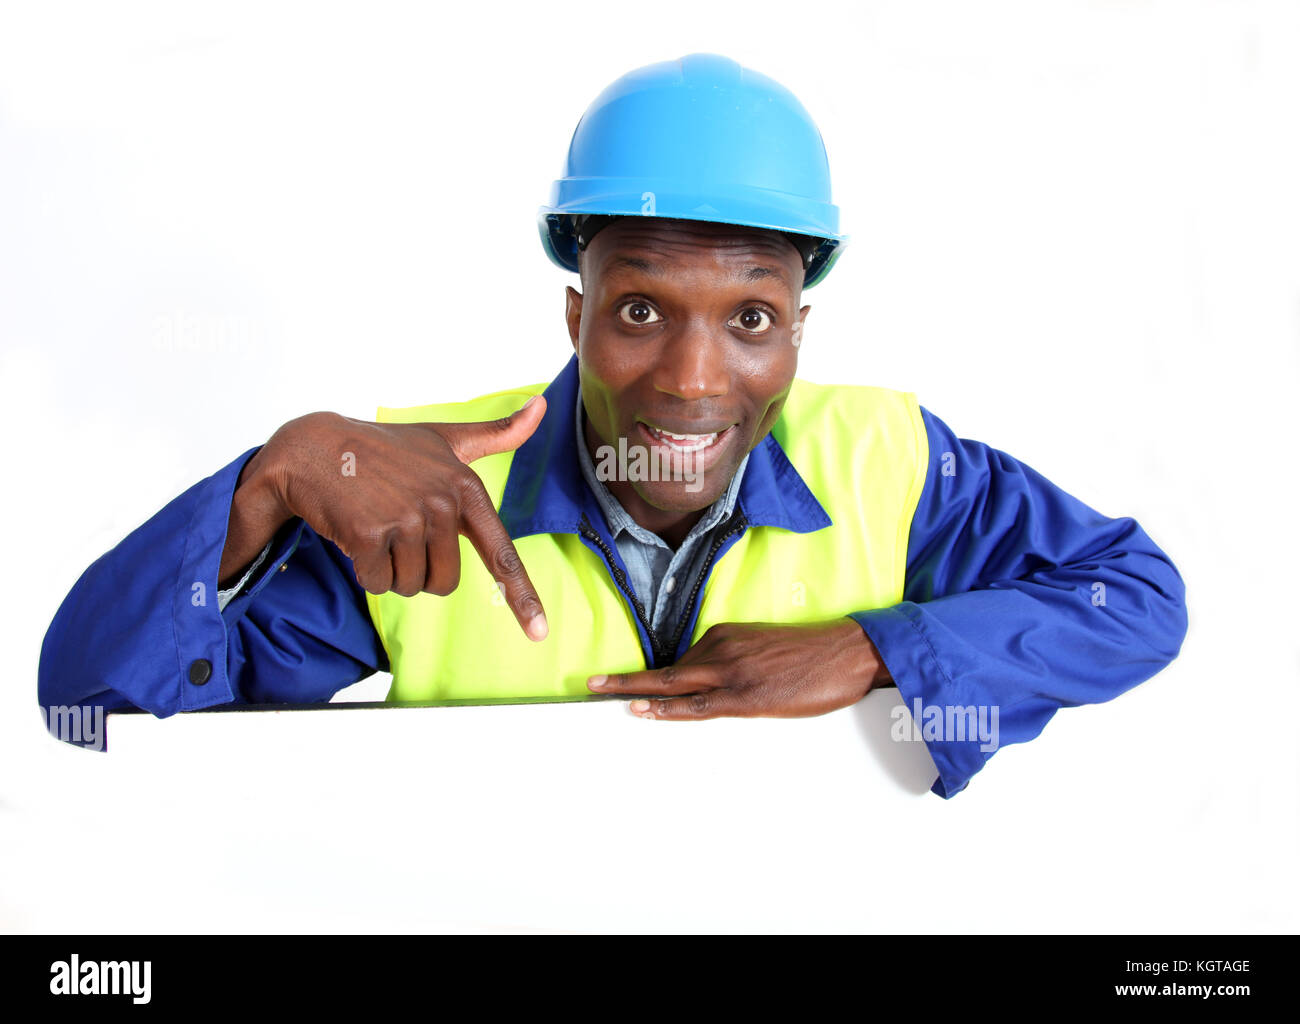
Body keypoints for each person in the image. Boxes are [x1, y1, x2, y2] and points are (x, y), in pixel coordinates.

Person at [37, 53, 1187, 797]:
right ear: (575, 314)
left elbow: (1131, 596)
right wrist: (266, 485)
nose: (691, 381)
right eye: (639, 310)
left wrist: (873, 647)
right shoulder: (428, 501)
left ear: (799, 329)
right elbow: (94, 716)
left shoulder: (889, 464)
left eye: (749, 318)